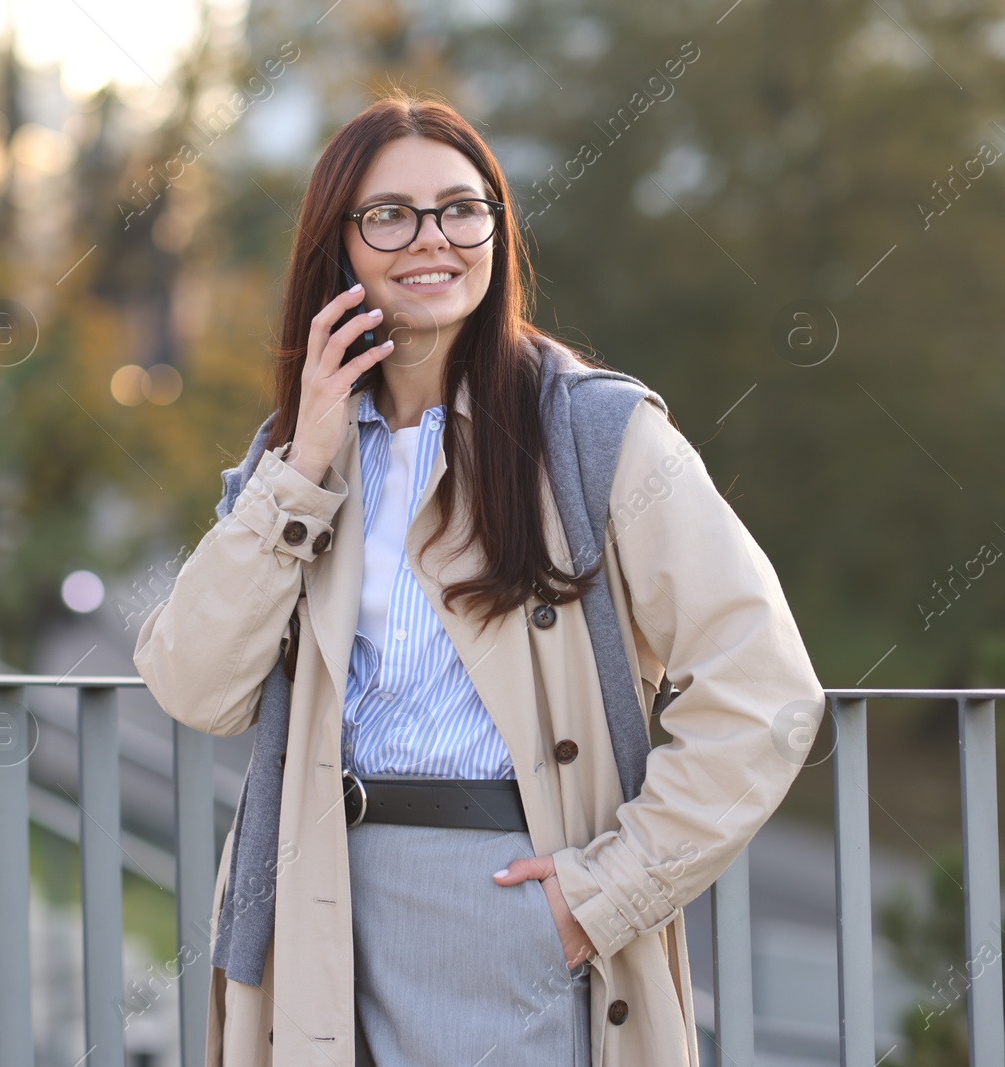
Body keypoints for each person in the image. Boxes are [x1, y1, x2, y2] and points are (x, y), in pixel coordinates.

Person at [133, 91, 825, 1067]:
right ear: (336, 244)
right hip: (315, 896)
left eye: (463, 208)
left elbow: (765, 690)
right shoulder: (296, 458)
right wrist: (296, 470)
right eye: (389, 215)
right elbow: (192, 685)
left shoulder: (596, 433)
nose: (433, 239)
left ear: (496, 228)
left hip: (506, 900)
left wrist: (601, 892)